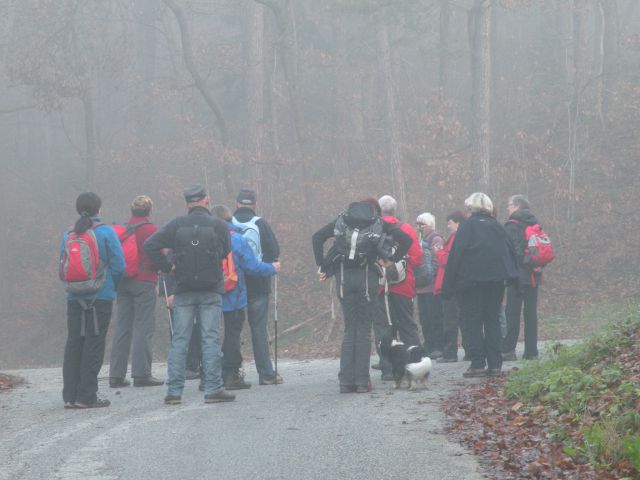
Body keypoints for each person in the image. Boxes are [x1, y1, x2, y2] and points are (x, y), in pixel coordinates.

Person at [144, 184, 234, 405]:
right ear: (206, 201)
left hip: (183, 289)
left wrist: (168, 267)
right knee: (210, 339)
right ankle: (213, 388)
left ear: (187, 204)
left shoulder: (176, 225)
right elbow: (227, 250)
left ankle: (174, 392)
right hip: (211, 290)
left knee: (180, 341)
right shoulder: (219, 225)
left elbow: (150, 245)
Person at [312, 198, 411, 393]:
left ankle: (345, 381)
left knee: (350, 329)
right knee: (364, 330)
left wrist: (322, 265)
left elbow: (317, 237)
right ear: (375, 211)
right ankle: (361, 382)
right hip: (368, 279)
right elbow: (407, 240)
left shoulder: (342, 221)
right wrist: (390, 261)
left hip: (344, 280)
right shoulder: (379, 223)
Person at [441, 193, 519, 377]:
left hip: (470, 283)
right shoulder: (498, 227)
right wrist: (514, 280)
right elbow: (510, 253)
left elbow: (455, 256)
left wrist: (448, 287)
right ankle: (495, 364)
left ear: (470, 209)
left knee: (472, 322)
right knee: (492, 320)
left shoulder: (466, 227)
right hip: (495, 282)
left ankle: (477, 364)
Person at [60, 192, 125, 408]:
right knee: (94, 343)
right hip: (100, 297)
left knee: (74, 342)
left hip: (74, 296)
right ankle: (86, 396)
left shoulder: (68, 234)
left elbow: (63, 267)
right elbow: (119, 266)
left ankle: (69, 395)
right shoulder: (105, 232)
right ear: (99, 210)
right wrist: (111, 288)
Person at [213, 205, 280, 390]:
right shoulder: (236, 238)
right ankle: (232, 375)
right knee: (232, 334)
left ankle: (209, 377)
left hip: (208, 293)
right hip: (233, 293)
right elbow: (253, 266)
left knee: (209, 335)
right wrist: (272, 269)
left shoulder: (204, 237)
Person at [109, 196, 163, 388]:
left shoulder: (123, 230)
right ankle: (141, 374)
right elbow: (159, 255)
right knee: (143, 327)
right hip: (145, 281)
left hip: (124, 282)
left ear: (132, 211)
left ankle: (116, 375)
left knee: (123, 328)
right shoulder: (151, 230)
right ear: (149, 211)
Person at [232, 188, 282, 385]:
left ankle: (233, 372)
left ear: (237, 204)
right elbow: (274, 251)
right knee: (259, 329)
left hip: (234, 284)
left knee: (233, 330)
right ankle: (266, 374)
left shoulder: (228, 223)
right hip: (258, 284)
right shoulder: (260, 223)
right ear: (254, 204)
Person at [377, 196, 423, 356]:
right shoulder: (406, 229)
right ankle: (414, 359)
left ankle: (388, 365)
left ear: (379, 210)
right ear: (395, 210)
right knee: (407, 324)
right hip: (403, 284)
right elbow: (417, 258)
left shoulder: (374, 228)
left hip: (380, 285)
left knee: (385, 326)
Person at [501, 195, 542, 361]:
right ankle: (531, 351)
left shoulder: (512, 225)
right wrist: (533, 264)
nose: (507, 208)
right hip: (534, 274)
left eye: (509, 205)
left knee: (512, 313)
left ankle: (508, 350)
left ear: (517, 206)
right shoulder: (535, 223)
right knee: (531, 314)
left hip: (517, 275)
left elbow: (514, 251)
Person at [433, 210, 467, 362]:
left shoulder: (456, 237)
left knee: (450, 320)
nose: (448, 226)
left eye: (450, 223)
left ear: (458, 222)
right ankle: (469, 351)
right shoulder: (461, 236)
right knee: (462, 319)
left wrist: (439, 253)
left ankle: (450, 353)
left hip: (450, 285)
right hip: (457, 284)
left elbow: (448, 260)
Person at [414, 212, 444, 359]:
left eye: (422, 225)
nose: (419, 228)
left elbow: (438, 259)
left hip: (431, 286)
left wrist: (431, 277)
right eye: (417, 225)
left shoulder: (436, 238)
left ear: (430, 225)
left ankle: (438, 346)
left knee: (435, 317)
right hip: (420, 287)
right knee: (424, 318)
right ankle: (429, 345)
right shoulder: (419, 239)